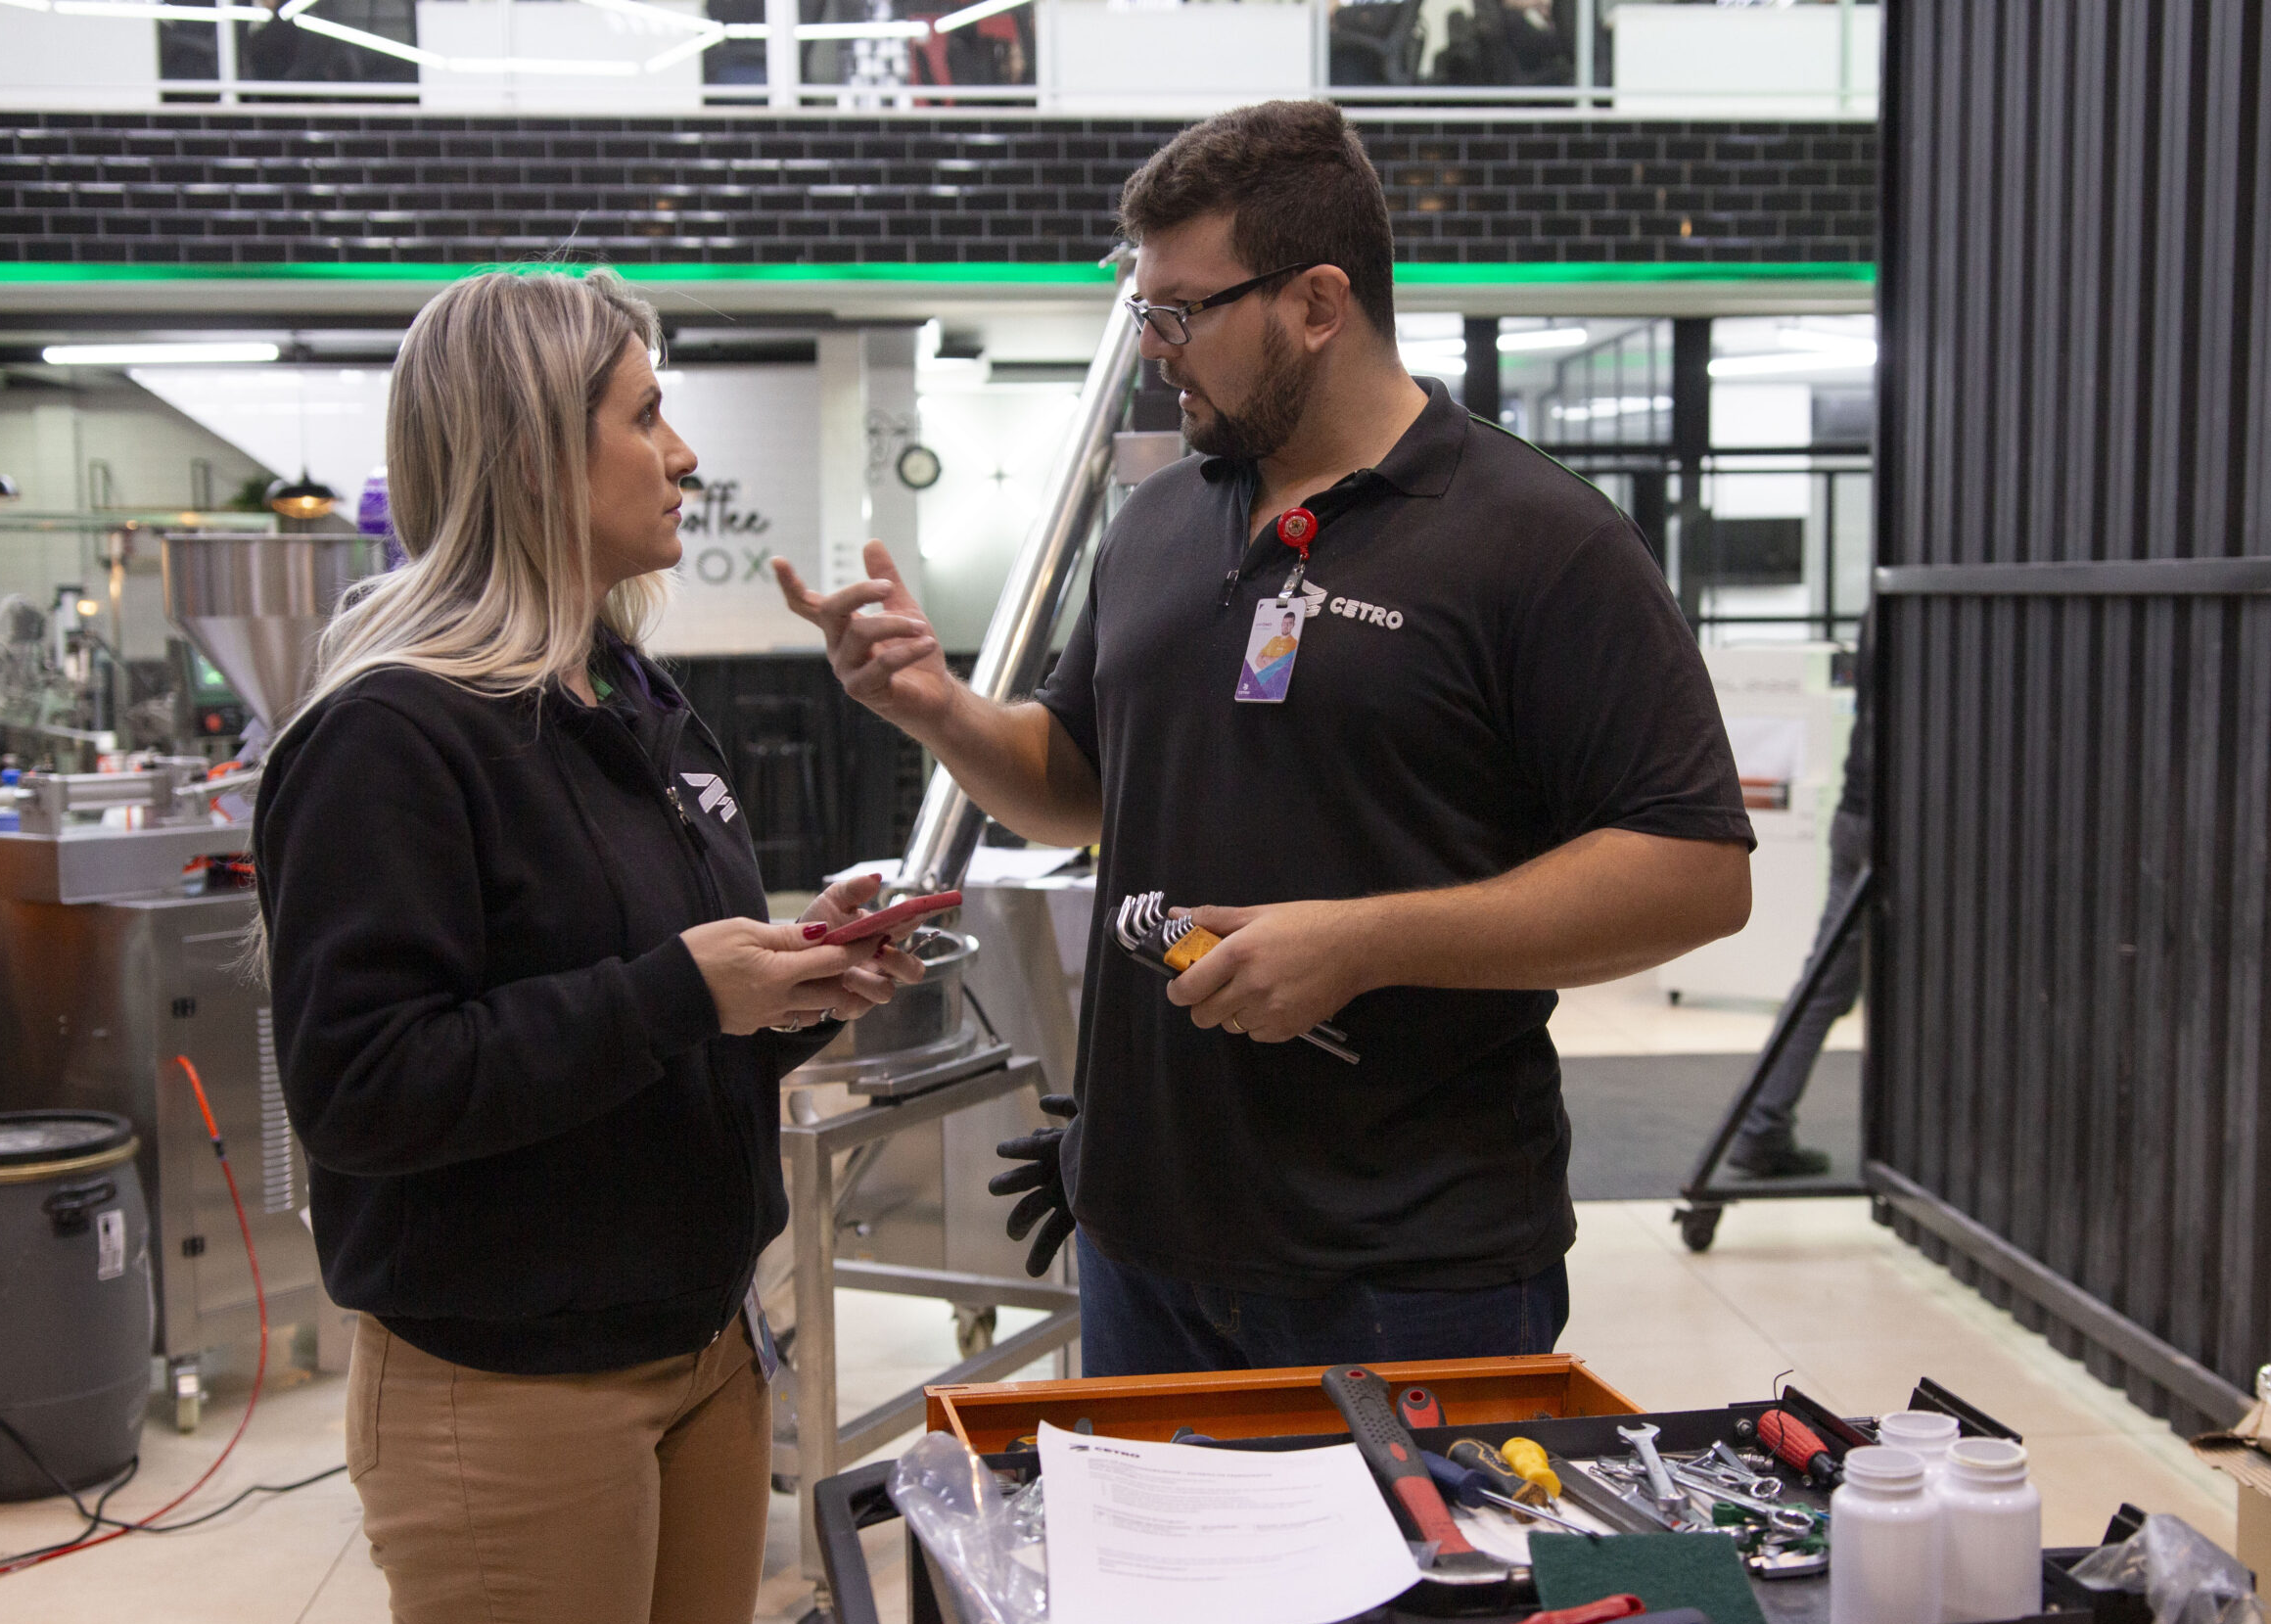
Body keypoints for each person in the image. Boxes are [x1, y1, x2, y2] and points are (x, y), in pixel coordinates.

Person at [774, 101, 1754, 1375]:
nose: (1157, 352)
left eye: (1182, 313)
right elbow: (1077, 790)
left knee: (1414, 1587)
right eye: (1146, 314)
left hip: (1410, 1266)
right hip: (1142, 1240)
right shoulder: (1160, 523)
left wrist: (1365, 939)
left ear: (1316, 301)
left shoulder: (1540, 540)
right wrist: (936, 705)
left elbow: (1696, 868)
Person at [255, 268, 921, 1624]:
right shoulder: (393, 734)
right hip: (513, 1390)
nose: (683, 454)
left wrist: (798, 981)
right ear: (533, 449)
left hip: (705, 1350)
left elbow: (659, 1018)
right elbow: (365, 1088)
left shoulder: (629, 695)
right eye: (647, 413)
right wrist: (683, 989)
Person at [1726, 626, 1874, 1178]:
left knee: (1822, 987)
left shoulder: (1886, 599)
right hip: (1901, 814)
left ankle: (1761, 1125)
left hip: (1856, 813)